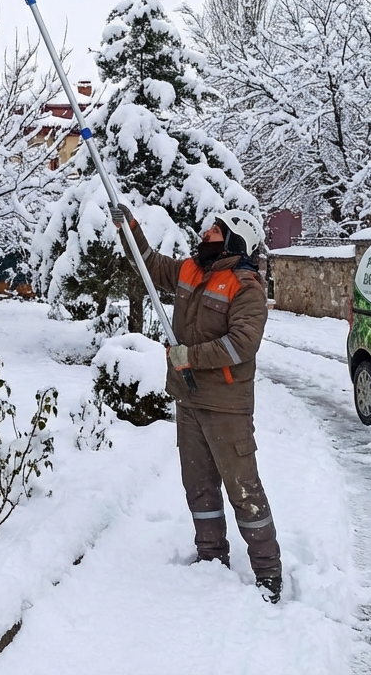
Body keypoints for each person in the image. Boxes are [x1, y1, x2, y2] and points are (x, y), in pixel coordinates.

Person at [110, 204, 283, 603]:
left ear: (236, 242)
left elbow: (243, 344)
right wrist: (129, 228)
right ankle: (210, 557)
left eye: (215, 232)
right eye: (209, 229)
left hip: (226, 406)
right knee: (199, 486)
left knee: (243, 488)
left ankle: (268, 571)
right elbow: (149, 265)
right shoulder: (191, 270)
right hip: (188, 400)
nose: (205, 234)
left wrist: (191, 356)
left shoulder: (246, 287)